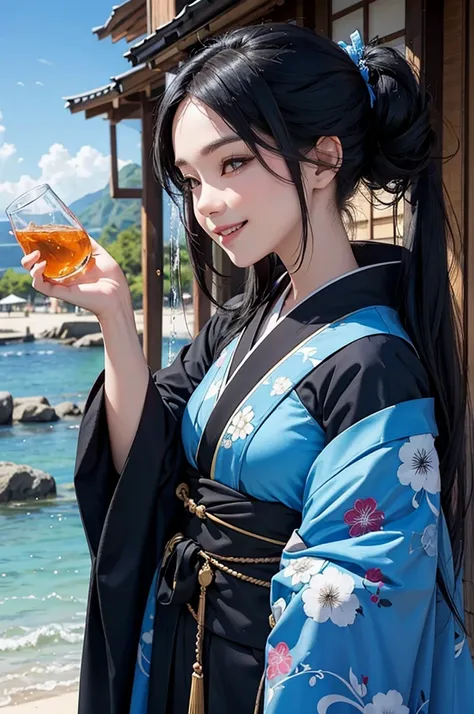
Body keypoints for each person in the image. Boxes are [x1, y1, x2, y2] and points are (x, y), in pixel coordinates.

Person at [22, 24, 474, 714]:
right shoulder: (244, 317)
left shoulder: (374, 367)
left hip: (268, 674)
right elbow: (145, 456)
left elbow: (353, 600)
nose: (205, 206)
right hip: (184, 640)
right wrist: (114, 314)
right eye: (191, 179)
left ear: (323, 159)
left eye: (230, 164)